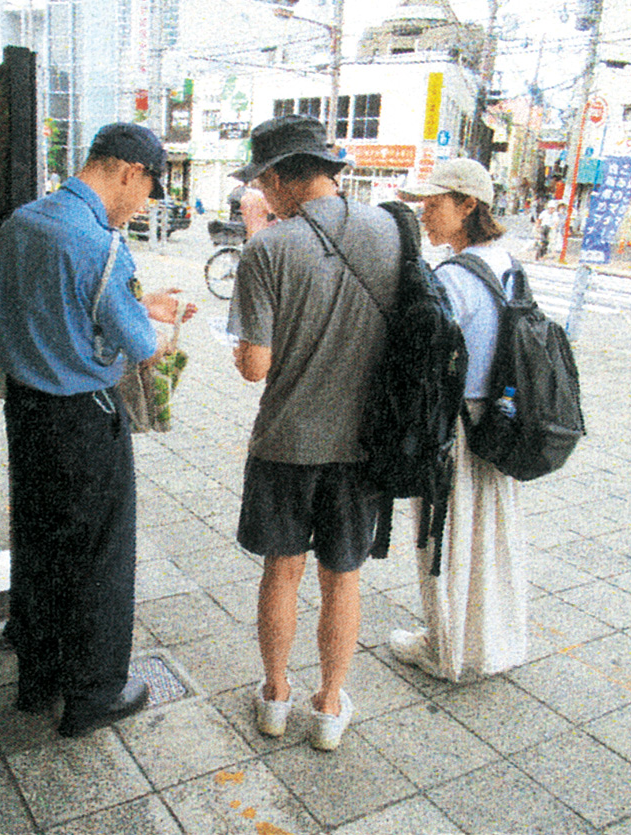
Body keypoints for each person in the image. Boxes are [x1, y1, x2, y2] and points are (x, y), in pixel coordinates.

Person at [0, 122, 196, 737]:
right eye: (149, 187)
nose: (145, 203)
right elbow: (137, 345)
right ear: (129, 170)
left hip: (24, 410)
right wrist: (155, 323)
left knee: (40, 537)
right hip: (83, 417)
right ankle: (94, 693)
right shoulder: (102, 243)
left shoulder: (23, 222)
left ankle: (38, 679)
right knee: (99, 555)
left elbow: (49, 305)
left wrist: (138, 301)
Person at [228, 115, 401, 751]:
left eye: (261, 183)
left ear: (276, 178)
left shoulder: (268, 248)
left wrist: (257, 239)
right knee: (343, 574)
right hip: (362, 446)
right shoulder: (392, 229)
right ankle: (329, 706)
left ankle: (276, 695)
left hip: (287, 443)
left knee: (283, 569)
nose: (262, 195)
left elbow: (255, 367)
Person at [390, 158, 528, 682]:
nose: (424, 215)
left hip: (455, 429)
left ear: (468, 205)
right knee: (492, 539)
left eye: (433, 204)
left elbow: (420, 357)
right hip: (500, 421)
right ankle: (493, 641)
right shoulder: (509, 263)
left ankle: (445, 647)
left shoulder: (451, 278)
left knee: (443, 539)